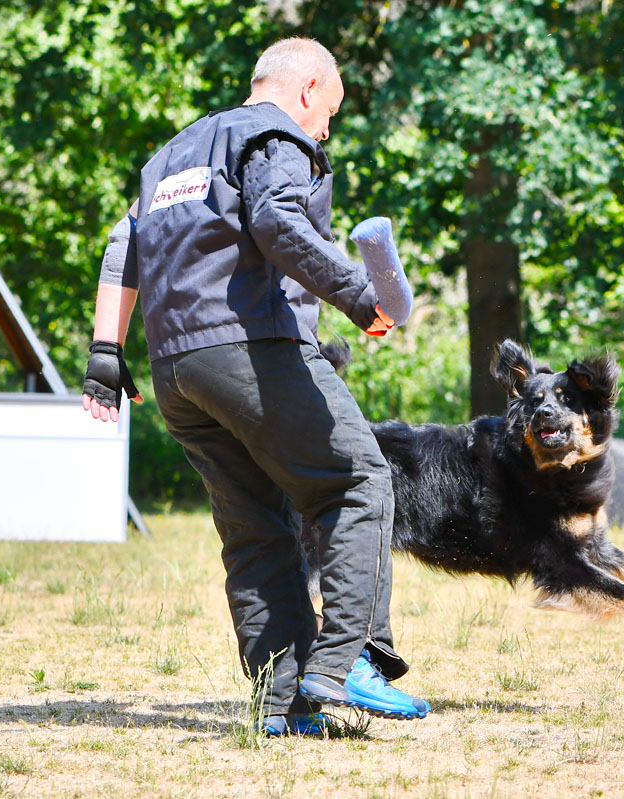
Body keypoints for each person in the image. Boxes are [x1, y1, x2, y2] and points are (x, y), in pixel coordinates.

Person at [81, 38, 427, 736]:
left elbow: (124, 245)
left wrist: (103, 356)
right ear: (306, 91)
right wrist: (362, 296)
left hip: (176, 369)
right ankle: (348, 659)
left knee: (256, 528)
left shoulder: (172, 155)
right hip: (249, 346)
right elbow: (277, 220)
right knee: (359, 479)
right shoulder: (276, 134)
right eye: (326, 114)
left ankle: (281, 702)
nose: (323, 131)